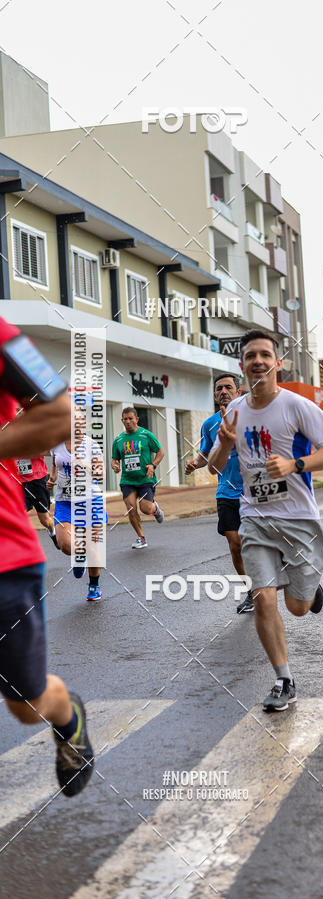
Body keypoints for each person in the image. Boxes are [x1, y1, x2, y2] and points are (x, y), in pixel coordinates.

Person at [208, 329, 323, 712]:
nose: (258, 361)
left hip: (298, 519)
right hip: (255, 519)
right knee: (264, 598)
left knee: (297, 607)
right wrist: (227, 444)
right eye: (251, 356)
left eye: (265, 354)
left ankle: (310, 590)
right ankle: (284, 679)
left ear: (278, 363)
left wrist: (293, 465)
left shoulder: (298, 406)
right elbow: (216, 467)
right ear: (242, 365)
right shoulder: (234, 411)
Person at [0, 316, 94, 795]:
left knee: (25, 703)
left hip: (3, 561)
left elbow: (61, 416)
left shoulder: (1, 335)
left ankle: (67, 714)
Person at [185, 373, 254, 614]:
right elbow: (206, 455)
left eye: (228, 387)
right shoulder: (210, 424)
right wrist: (195, 463)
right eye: (218, 389)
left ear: (238, 391)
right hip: (226, 492)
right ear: (214, 395)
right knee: (235, 545)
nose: (223, 391)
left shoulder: (252, 415)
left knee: (262, 542)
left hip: (254, 491)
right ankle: (252, 592)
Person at [48, 429, 105, 602]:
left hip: (90, 500)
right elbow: (54, 465)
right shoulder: (56, 444)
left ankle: (94, 586)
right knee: (64, 545)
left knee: (93, 547)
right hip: (65, 501)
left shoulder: (91, 445)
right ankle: (79, 553)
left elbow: (100, 473)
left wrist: (84, 464)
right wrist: (51, 479)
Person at [111, 407, 165, 549]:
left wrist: (153, 465)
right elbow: (114, 459)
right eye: (125, 419)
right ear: (122, 420)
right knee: (131, 508)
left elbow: (160, 452)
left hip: (146, 479)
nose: (128, 421)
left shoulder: (146, 435)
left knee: (145, 508)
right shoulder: (118, 440)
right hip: (127, 480)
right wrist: (115, 465)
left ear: (136, 419)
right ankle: (141, 537)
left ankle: (155, 509)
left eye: (130, 418)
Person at [17, 452, 58, 549]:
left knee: (45, 520)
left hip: (38, 481)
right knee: (17, 515)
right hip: (19, 482)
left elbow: (51, 451)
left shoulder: (33, 439)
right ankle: (23, 545)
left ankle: (53, 532)